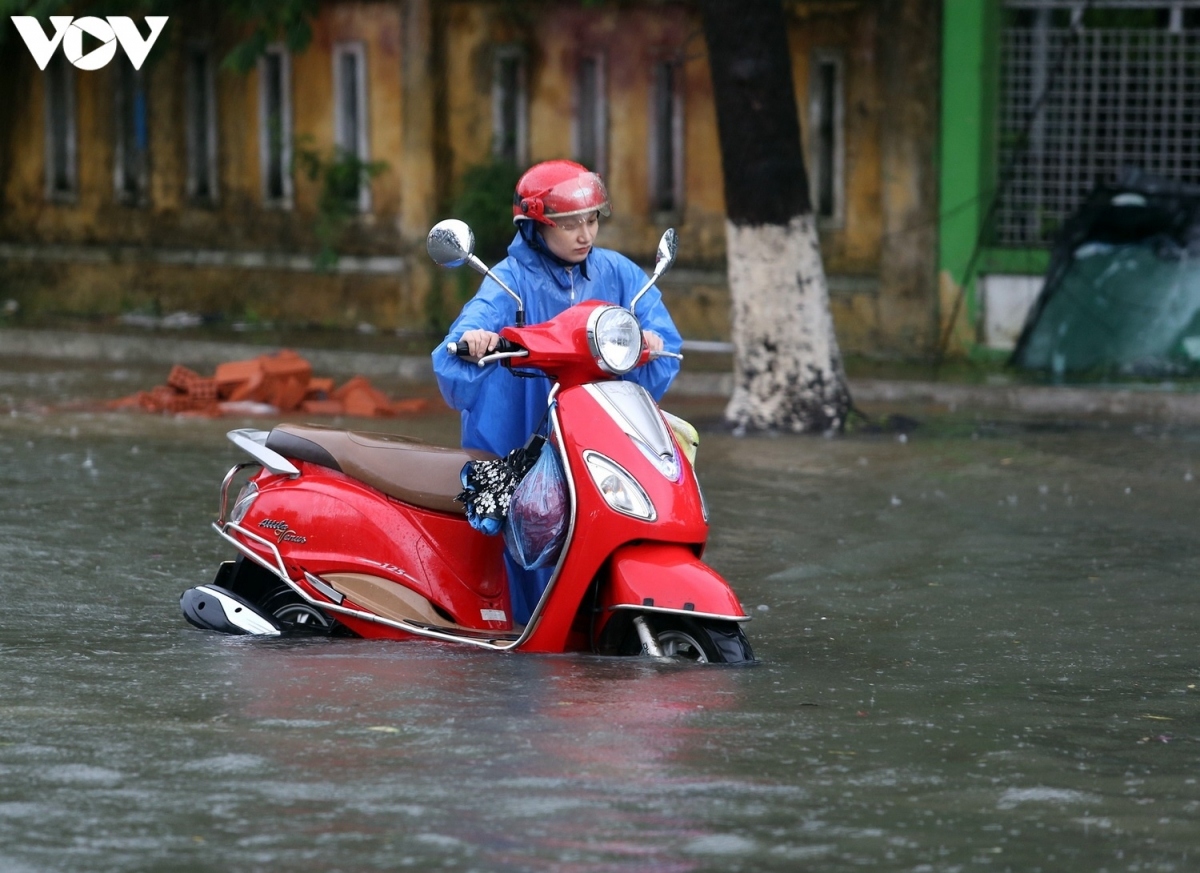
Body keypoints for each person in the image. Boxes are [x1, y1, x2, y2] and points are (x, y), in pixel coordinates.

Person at [432, 159, 683, 623]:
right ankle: (518, 632)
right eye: (568, 225)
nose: (584, 235)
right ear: (533, 227)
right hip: (517, 442)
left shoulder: (620, 274)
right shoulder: (508, 280)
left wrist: (651, 343)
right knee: (521, 545)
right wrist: (476, 342)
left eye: (590, 221)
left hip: (596, 441)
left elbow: (663, 336)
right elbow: (462, 336)